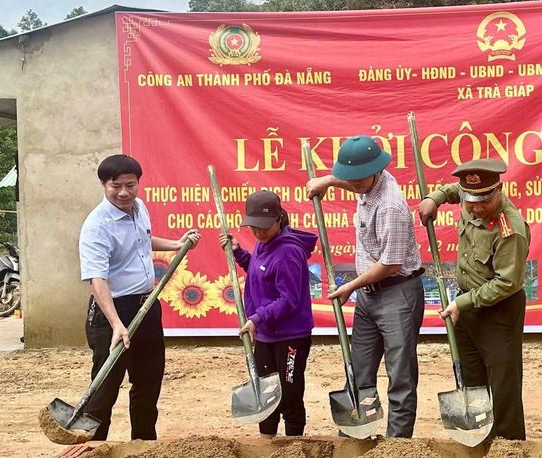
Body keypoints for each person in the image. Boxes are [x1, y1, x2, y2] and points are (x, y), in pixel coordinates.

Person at [306, 136, 424, 438]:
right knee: (358, 371)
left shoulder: (391, 207)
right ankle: (355, 438)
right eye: (350, 178)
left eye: (359, 178)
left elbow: (391, 263)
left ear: (376, 170)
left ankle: (397, 447)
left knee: (400, 376)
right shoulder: (368, 182)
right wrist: (330, 181)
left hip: (398, 293)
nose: (354, 183)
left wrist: (351, 286)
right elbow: (353, 180)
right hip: (369, 296)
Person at [79, 154, 200, 440]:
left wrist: (176, 244)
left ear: (138, 183)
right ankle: (93, 450)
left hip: (146, 305)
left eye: (130, 185)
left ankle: (144, 444)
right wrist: (117, 323)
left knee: (148, 380)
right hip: (112, 310)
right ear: (103, 185)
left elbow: (144, 241)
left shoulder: (139, 208)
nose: (124, 193)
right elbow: (97, 280)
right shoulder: (97, 226)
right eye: (116, 186)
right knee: (106, 383)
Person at [418, 158, 530, 440]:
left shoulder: (510, 228)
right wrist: (435, 198)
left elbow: (506, 283)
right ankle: (479, 439)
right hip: (466, 304)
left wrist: (461, 304)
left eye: (484, 201)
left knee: (503, 384)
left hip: (499, 310)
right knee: (471, 378)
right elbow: (454, 190)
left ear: (498, 191)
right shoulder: (469, 198)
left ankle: (509, 448)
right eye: (471, 201)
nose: (477, 208)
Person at [220, 190, 317, 437]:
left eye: (264, 227)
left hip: (290, 336)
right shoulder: (265, 245)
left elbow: (289, 300)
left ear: (279, 219)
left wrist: (257, 317)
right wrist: (239, 252)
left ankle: (294, 445)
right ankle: (266, 443)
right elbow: (258, 269)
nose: (258, 232)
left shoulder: (288, 252)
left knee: (289, 392)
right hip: (265, 334)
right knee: (265, 391)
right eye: (253, 227)